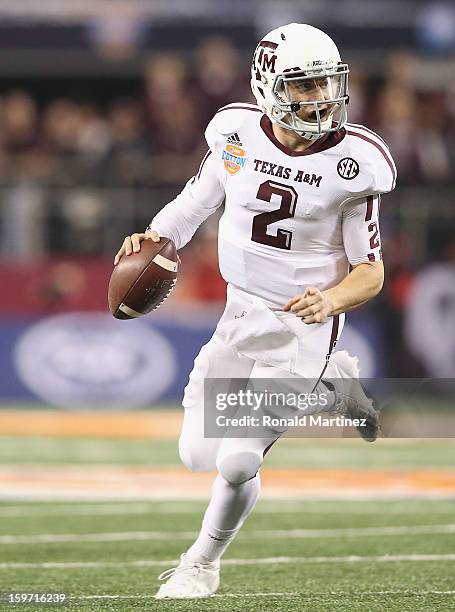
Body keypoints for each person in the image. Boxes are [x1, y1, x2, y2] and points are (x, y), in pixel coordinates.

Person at [114, 23, 397, 599]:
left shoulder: (355, 164)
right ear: (270, 87)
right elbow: (198, 200)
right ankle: (332, 389)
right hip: (239, 316)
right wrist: (153, 236)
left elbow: (371, 270)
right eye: (305, 85)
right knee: (196, 455)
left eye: (327, 82)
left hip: (303, 326)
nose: (321, 97)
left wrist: (332, 299)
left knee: (239, 460)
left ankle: (201, 563)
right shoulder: (235, 131)